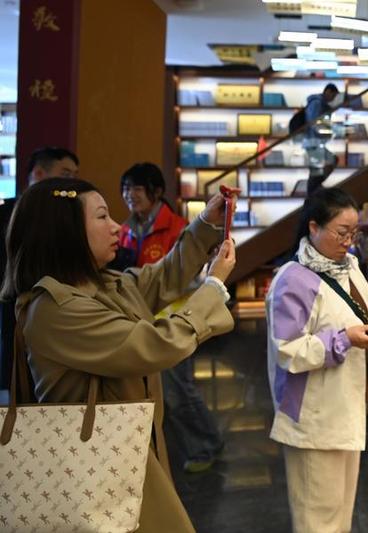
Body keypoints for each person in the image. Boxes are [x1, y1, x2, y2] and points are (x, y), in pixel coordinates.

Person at [1, 177, 237, 532]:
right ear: (65, 232)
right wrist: (214, 287)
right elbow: (155, 345)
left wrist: (206, 223)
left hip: (124, 452)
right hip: (95, 463)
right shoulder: (54, 309)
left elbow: (163, 277)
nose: (116, 227)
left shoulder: (97, 285)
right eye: (101, 217)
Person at [266, 187, 368, 533]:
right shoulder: (292, 281)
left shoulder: (348, 266)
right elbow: (287, 349)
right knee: (317, 520)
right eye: (341, 232)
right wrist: (343, 339)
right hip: (314, 420)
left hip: (345, 410)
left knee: (339, 515)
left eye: (354, 232)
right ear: (313, 228)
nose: (349, 240)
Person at [115, 162, 225, 473]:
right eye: (125, 189)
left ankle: (206, 444)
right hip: (140, 323)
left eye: (136, 188)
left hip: (172, 321)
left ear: (157, 191)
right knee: (166, 391)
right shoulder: (124, 230)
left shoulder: (178, 228)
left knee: (179, 390)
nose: (129, 195)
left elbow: (184, 277)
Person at [0, 147, 79, 391]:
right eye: (66, 174)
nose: (72, 182)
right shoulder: (6, 213)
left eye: (75, 175)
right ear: (39, 174)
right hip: (10, 308)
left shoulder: (70, 216)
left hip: (55, 309)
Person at [304, 83, 341, 195]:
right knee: (318, 168)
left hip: (314, 141)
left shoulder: (320, 104)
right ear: (328, 92)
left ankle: (314, 190)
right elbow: (315, 123)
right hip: (313, 141)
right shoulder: (317, 103)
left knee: (320, 167)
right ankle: (312, 191)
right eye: (333, 96)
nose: (333, 99)